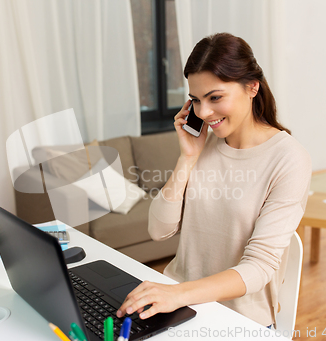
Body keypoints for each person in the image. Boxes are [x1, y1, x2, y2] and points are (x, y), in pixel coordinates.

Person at [116, 32, 311, 328]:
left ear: (252, 87)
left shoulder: (289, 159)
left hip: (236, 319)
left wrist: (178, 294)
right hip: (178, 304)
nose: (203, 112)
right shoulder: (203, 145)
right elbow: (158, 230)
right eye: (195, 100)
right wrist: (188, 158)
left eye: (215, 97)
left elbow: (259, 268)